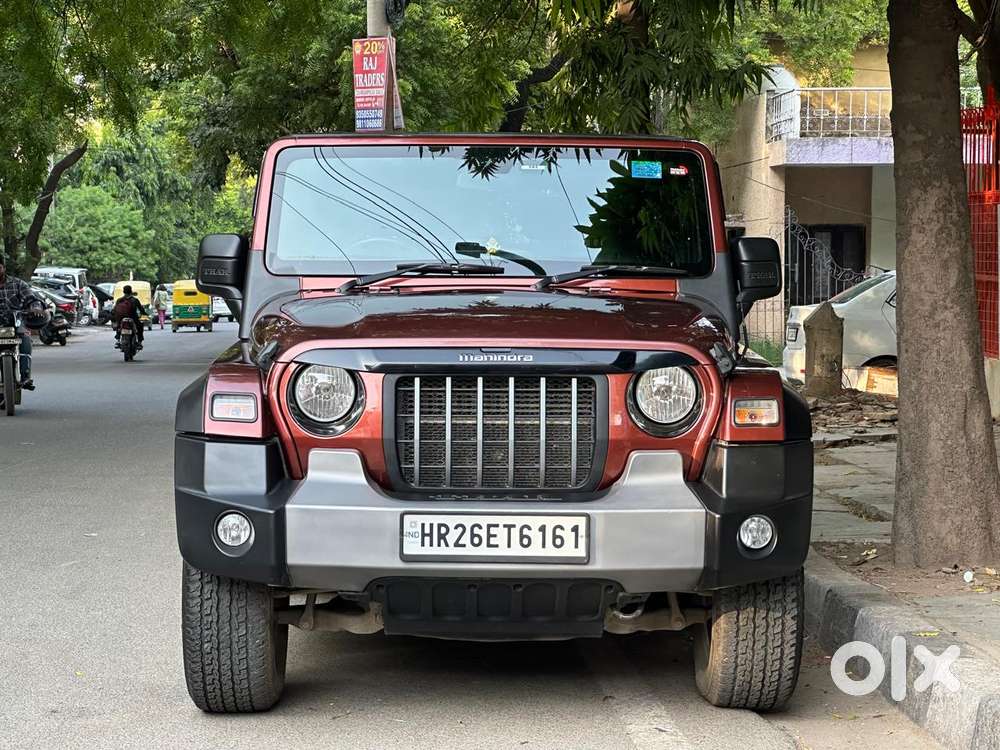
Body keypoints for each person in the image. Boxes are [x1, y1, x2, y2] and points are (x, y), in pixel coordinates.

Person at [0, 261, 39, 390]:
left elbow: (31, 299)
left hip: (16, 321)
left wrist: (35, 308)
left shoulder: (18, 284)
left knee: (26, 337)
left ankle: (25, 376)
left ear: (4, 268)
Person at [112, 284, 146, 349]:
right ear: (131, 291)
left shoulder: (119, 300)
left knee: (118, 326)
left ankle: (118, 340)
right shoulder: (135, 300)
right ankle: (139, 342)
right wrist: (144, 314)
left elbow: (115, 309)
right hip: (133, 317)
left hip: (121, 318)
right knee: (140, 327)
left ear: (123, 291)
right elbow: (141, 309)